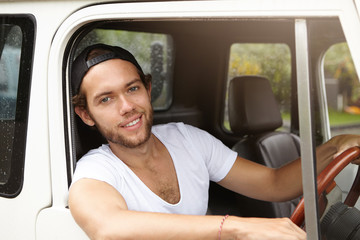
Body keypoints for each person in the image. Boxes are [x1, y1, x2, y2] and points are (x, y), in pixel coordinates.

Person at [69, 43, 360, 240]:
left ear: (147, 89)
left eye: (132, 89)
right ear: (86, 114)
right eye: (105, 99)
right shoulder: (95, 171)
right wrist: (238, 227)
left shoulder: (188, 139)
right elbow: (108, 226)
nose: (126, 107)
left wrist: (336, 146)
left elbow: (274, 183)